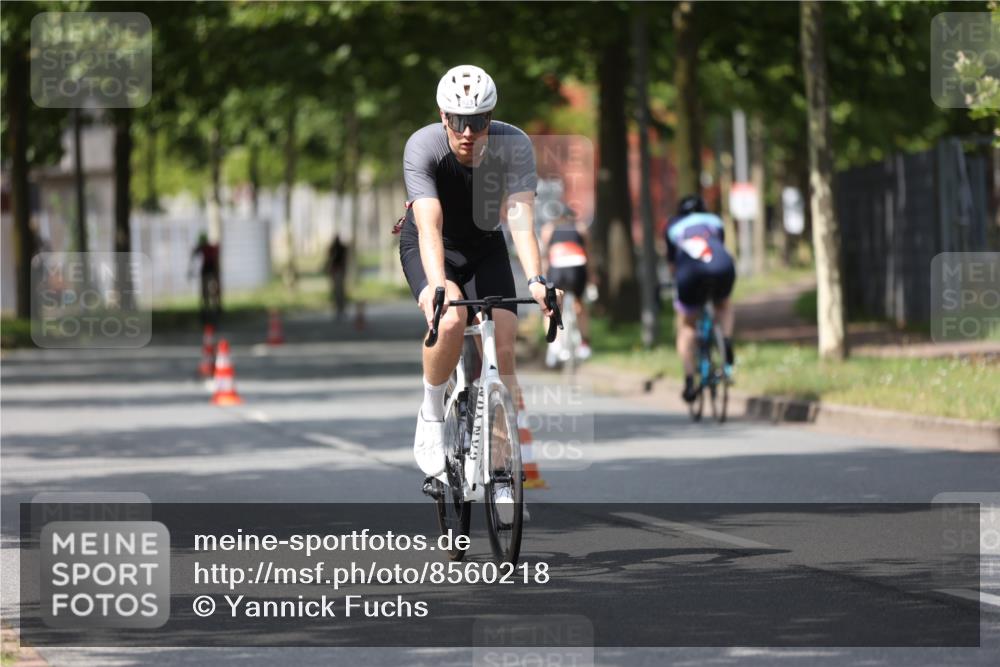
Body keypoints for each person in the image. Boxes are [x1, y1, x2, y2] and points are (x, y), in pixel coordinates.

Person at [399, 64, 558, 479]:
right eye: (458, 121)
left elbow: (520, 217)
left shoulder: (514, 143)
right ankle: (432, 412)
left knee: (503, 350)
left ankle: (502, 472)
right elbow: (429, 224)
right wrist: (438, 288)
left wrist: (536, 280)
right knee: (451, 319)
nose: (468, 132)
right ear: (443, 117)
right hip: (433, 245)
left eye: (478, 121)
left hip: (485, 245)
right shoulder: (423, 146)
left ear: (491, 117)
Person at [665, 194, 736, 403]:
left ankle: (689, 382)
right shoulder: (715, 221)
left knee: (687, 325)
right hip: (722, 266)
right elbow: (718, 245)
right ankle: (726, 341)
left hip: (690, 272)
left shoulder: (672, 226)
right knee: (724, 304)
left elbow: (672, 265)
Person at [540, 203, 592, 363]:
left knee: (550, 306)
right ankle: (584, 344)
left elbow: (544, 255)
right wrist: (592, 276)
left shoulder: (548, 229)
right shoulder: (581, 228)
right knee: (579, 304)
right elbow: (589, 254)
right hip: (577, 269)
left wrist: (543, 276)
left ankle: (553, 344)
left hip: (556, 270)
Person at [190, 232, 221, 325]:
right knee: (209, 292)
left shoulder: (206, 248)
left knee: (209, 291)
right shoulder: (207, 248)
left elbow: (194, 254)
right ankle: (209, 309)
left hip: (209, 270)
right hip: (209, 270)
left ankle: (211, 309)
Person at [325, 234, 349, 320]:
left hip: (338, 271)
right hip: (336, 271)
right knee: (338, 291)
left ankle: (340, 308)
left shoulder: (338, 248)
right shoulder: (336, 248)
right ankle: (338, 308)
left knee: (339, 291)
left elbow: (343, 260)